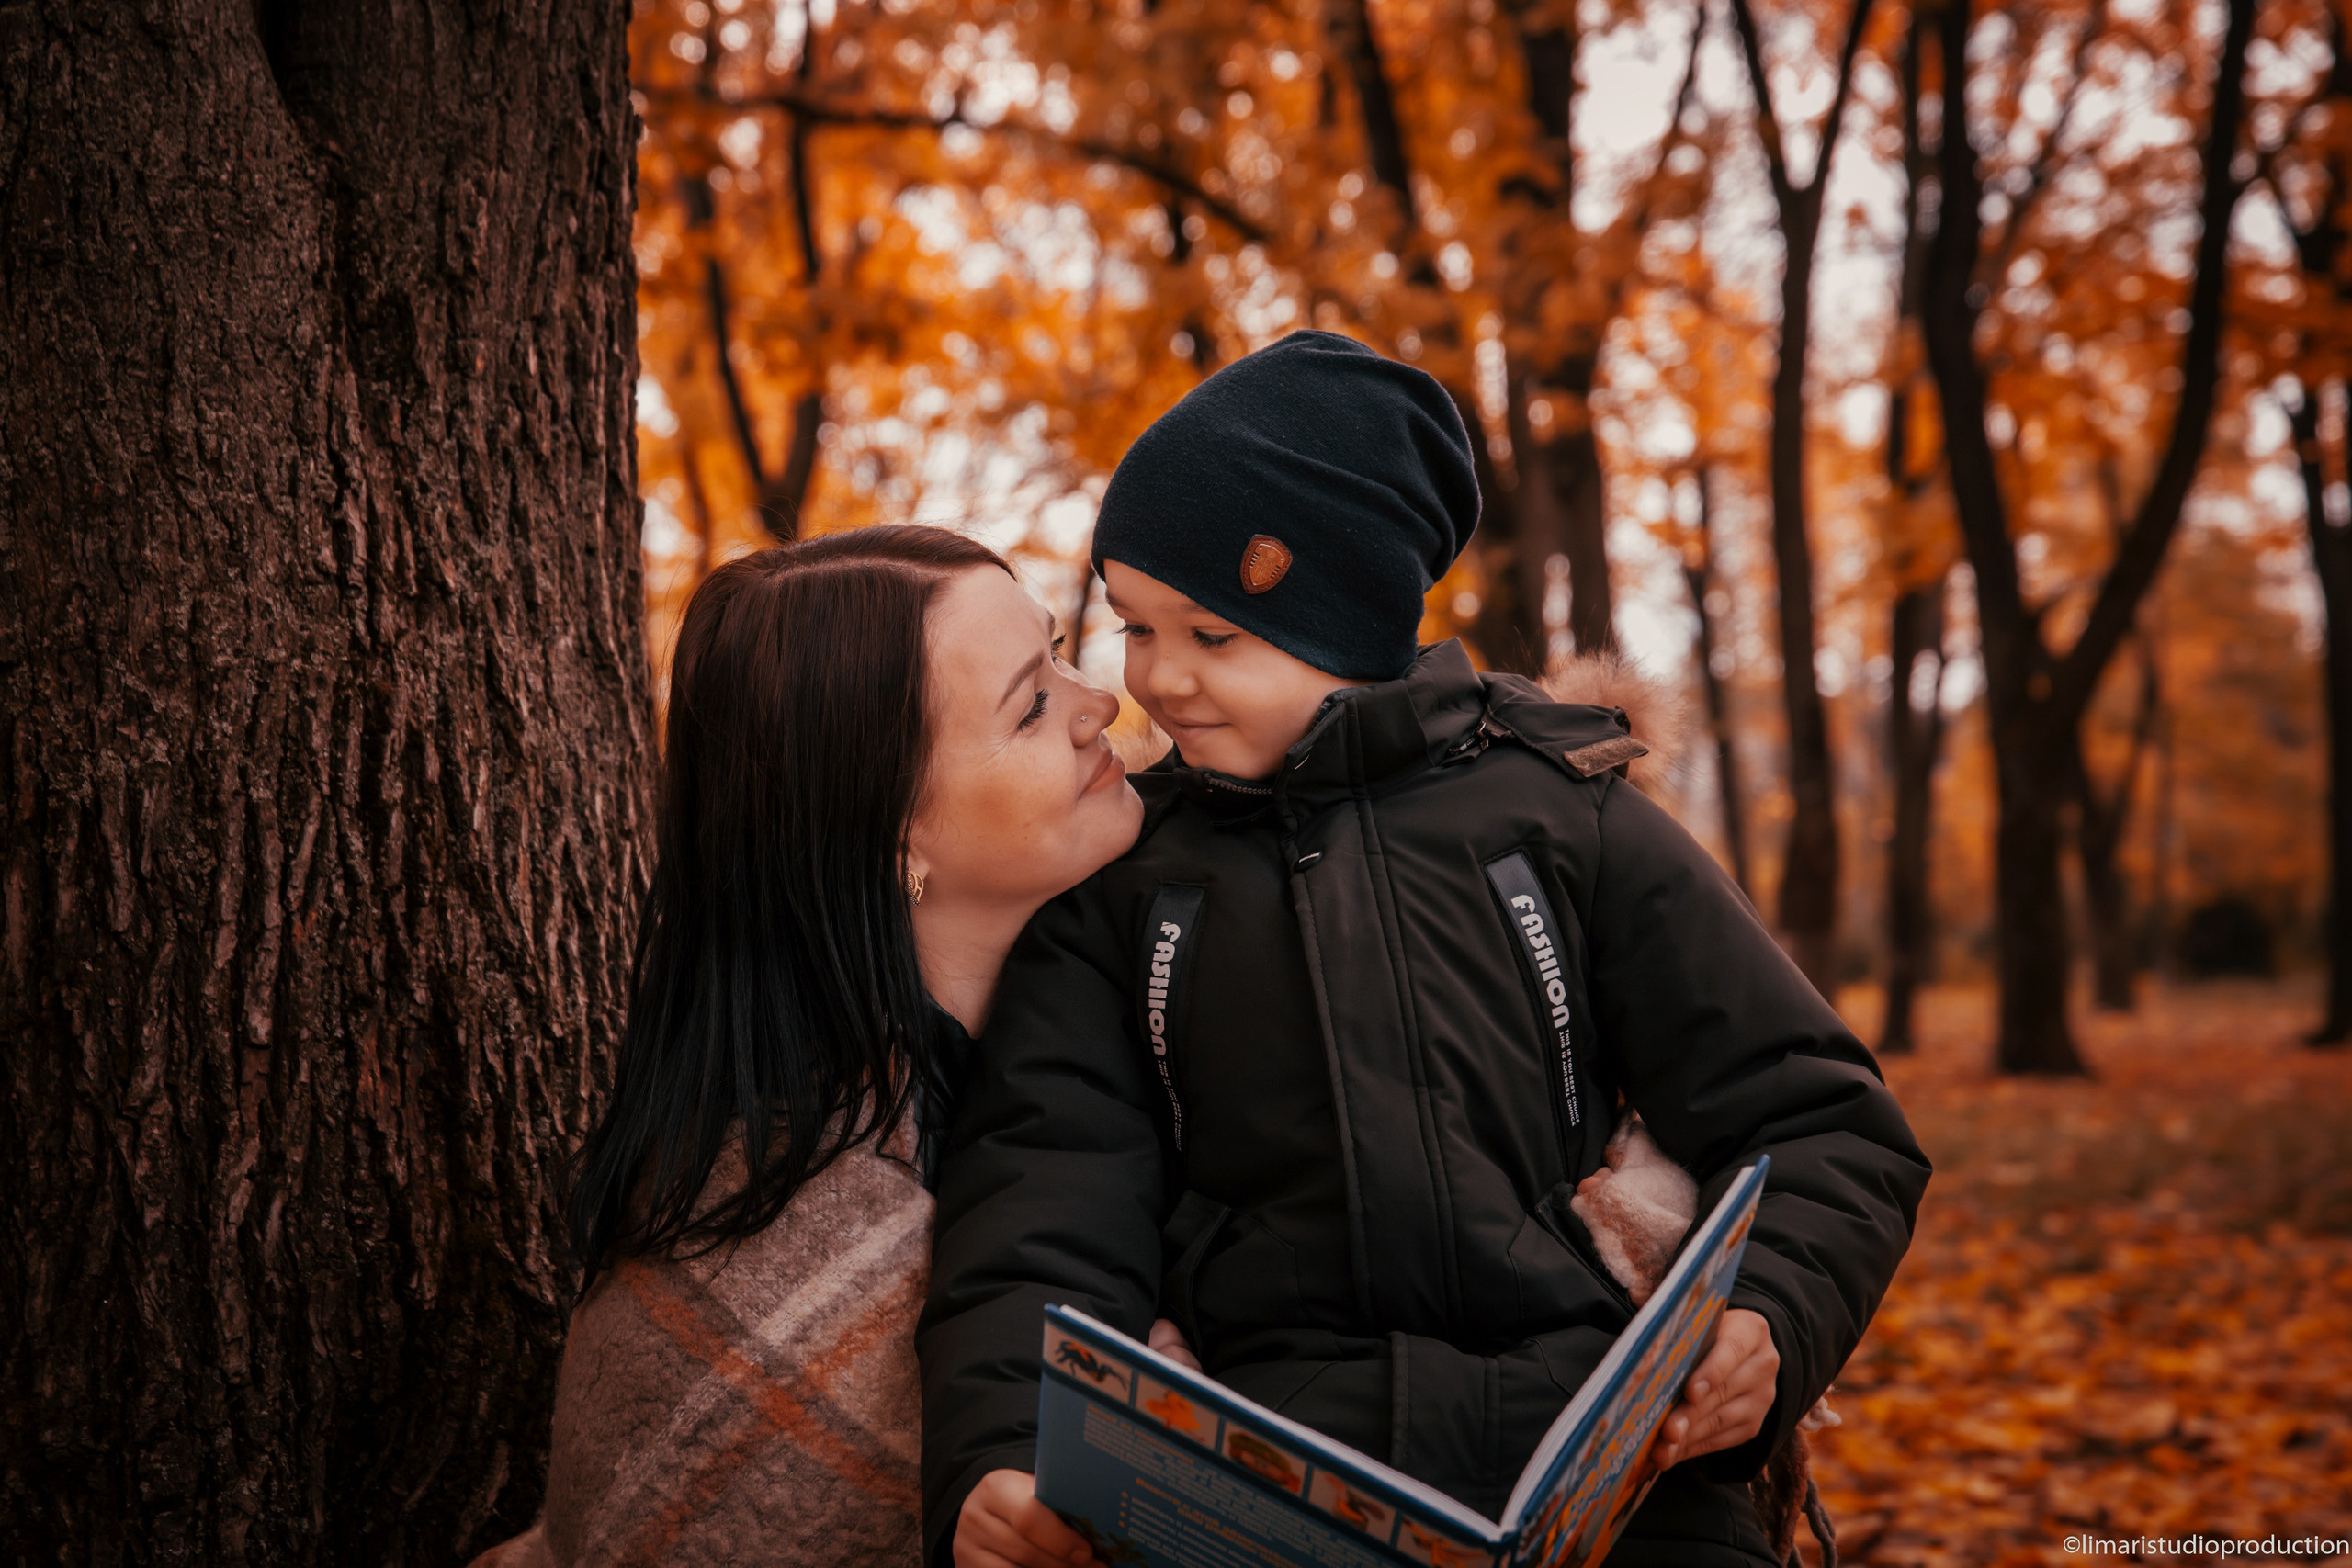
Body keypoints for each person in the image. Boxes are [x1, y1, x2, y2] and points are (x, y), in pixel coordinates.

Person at [919, 333, 1932, 1568]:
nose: (1157, 680)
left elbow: (1825, 1119)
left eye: (1215, 634)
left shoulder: (1567, 817)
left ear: (1352, 616)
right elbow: (1041, 1207)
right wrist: (1007, 1448)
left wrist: (1770, 1320)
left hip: (1618, 1466)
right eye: (1135, 626)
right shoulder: (1126, 892)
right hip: (1277, 1475)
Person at [472, 525, 1166, 1567]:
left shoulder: (1177, 1003)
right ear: (895, 838)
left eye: (1062, 652)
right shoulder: (769, 1253)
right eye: (1030, 703)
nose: (1097, 703)